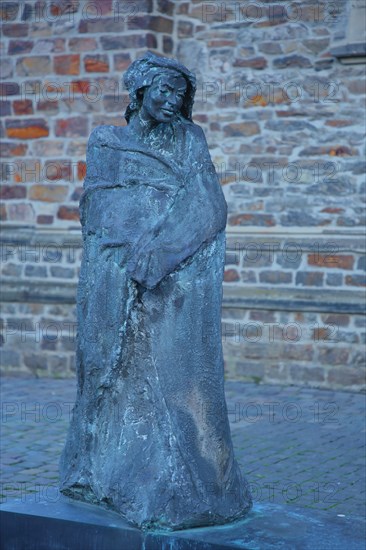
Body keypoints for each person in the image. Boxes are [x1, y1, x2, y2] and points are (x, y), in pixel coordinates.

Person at [59, 51, 252, 530]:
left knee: (170, 380)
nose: (170, 101)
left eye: (179, 95)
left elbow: (209, 203)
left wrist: (162, 250)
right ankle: (98, 470)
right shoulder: (108, 140)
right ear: (139, 91)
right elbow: (96, 203)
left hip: (169, 279)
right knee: (107, 368)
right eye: (162, 91)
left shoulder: (190, 139)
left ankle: (173, 484)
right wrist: (122, 246)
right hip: (112, 273)